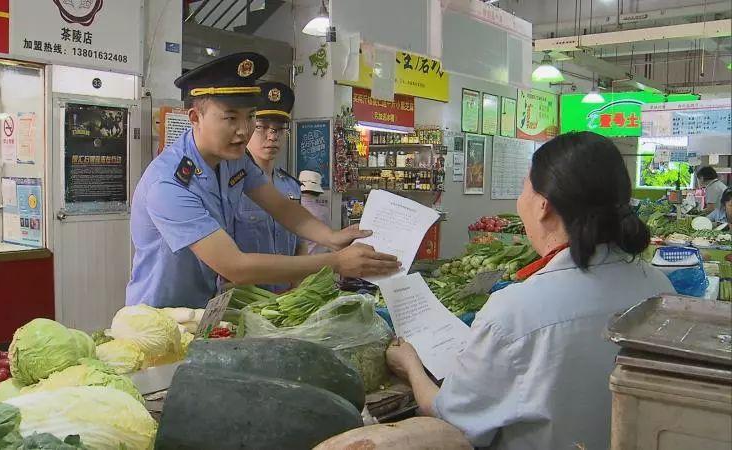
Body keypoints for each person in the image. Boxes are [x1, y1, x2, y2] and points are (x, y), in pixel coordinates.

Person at [386, 132, 675, 450]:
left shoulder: (516, 312)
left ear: (542, 205)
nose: (518, 200)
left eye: (524, 186)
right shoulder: (660, 288)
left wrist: (411, 366)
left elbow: (453, 423)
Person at [126, 52, 399, 308]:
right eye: (231, 118)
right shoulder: (169, 185)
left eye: (250, 117)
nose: (243, 131)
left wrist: (331, 237)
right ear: (195, 118)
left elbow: (280, 207)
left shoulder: (234, 159)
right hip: (159, 314)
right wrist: (335, 262)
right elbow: (235, 265)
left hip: (205, 307)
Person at [233, 81, 301, 293]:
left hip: (287, 301)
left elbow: (300, 245)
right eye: (262, 127)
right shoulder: (234, 185)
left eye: (279, 129)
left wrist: (297, 288)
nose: (272, 136)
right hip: (246, 300)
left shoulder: (291, 187)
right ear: (249, 127)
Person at [298, 170, 331, 255]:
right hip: (318, 259)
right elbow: (327, 237)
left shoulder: (290, 208)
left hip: (295, 260)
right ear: (317, 192)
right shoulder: (323, 211)